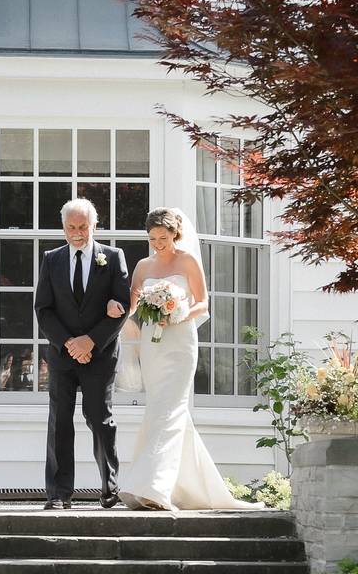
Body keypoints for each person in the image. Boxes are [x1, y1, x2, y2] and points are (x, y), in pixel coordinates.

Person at [106, 207, 264, 511]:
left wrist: (177, 313)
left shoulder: (187, 261)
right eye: (152, 238)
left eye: (163, 237)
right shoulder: (142, 265)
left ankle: (154, 487)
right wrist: (116, 307)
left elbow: (202, 302)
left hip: (180, 344)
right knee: (159, 410)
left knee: (172, 408)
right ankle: (183, 486)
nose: (157, 243)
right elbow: (132, 303)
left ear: (175, 234)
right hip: (153, 346)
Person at [34, 198, 131, 510]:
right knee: (60, 421)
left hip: (100, 355)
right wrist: (70, 343)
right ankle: (59, 494)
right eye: (71, 227)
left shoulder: (113, 258)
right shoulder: (51, 259)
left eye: (83, 227)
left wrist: (91, 341)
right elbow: (44, 309)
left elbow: (122, 308)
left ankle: (109, 487)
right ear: (64, 227)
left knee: (99, 417)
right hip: (63, 356)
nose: (77, 233)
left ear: (94, 226)